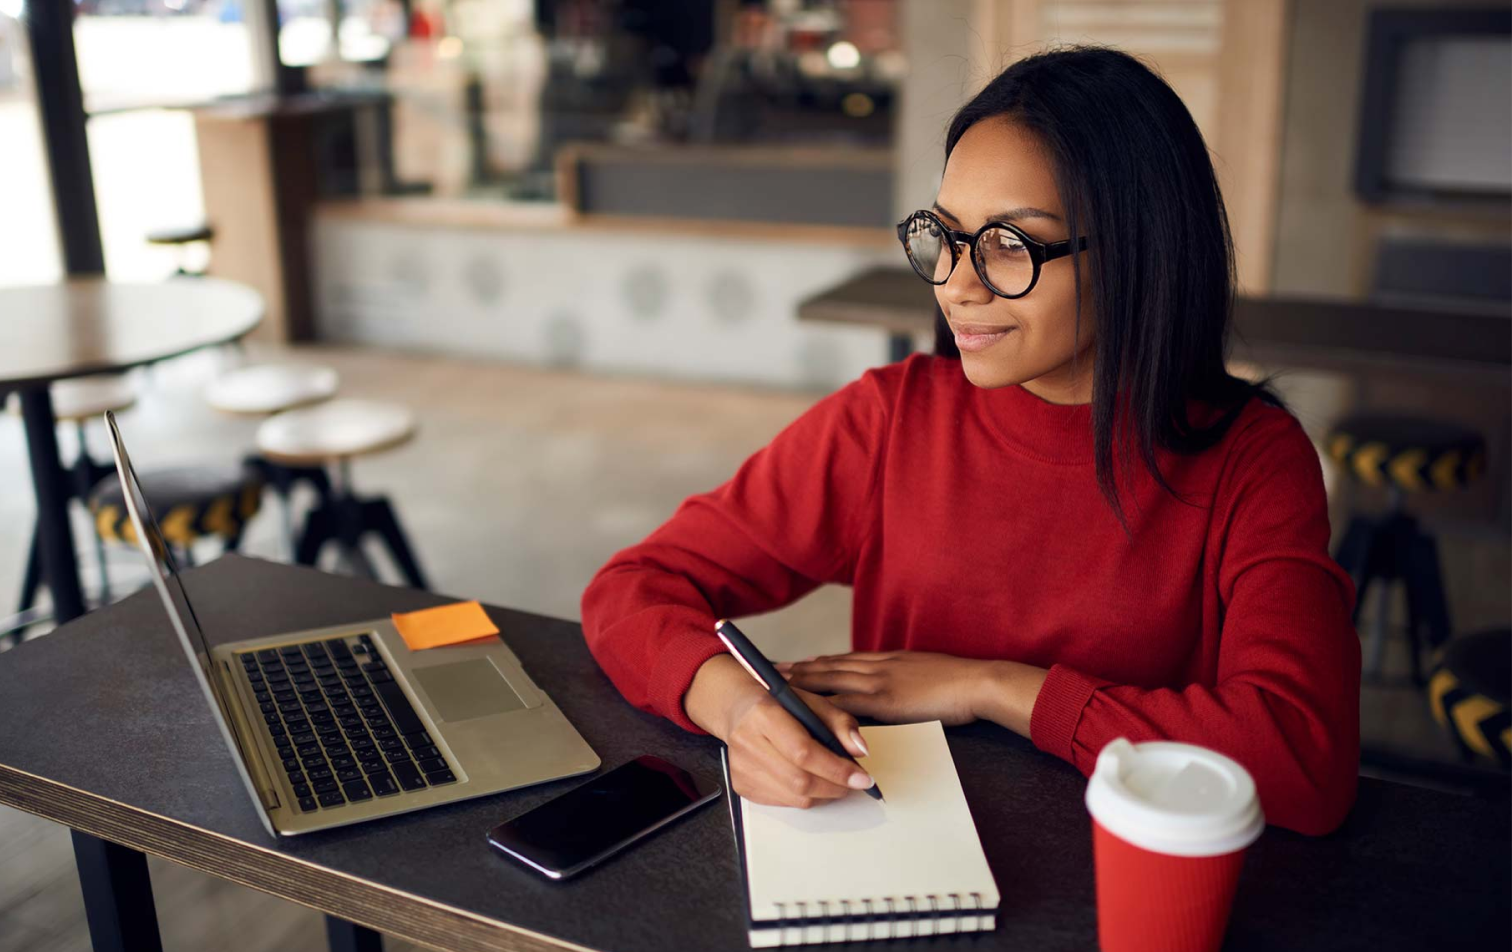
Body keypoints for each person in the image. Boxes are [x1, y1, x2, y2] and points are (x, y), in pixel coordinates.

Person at [581, 46, 1361, 836]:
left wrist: (990, 687)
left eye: (1011, 244)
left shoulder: (1253, 462)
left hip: (1120, 883)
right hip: (899, 860)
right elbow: (632, 587)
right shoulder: (889, 422)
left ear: (1137, 249)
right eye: (946, 236)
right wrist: (739, 707)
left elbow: (1301, 758)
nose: (957, 282)